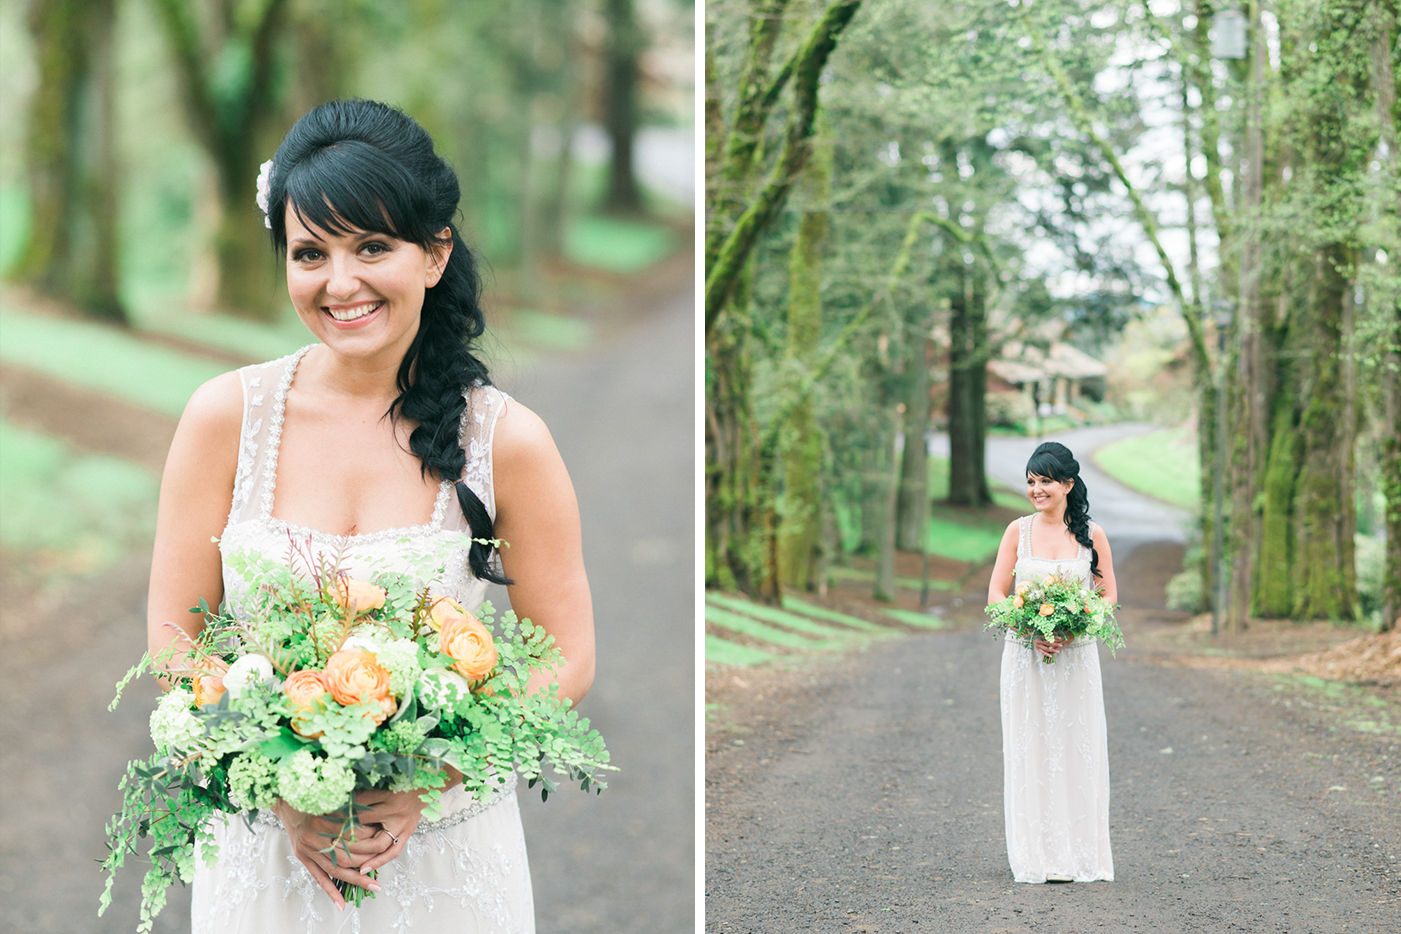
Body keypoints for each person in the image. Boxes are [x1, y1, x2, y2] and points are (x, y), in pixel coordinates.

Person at [146, 99, 593, 933]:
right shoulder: (223, 419)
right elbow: (177, 640)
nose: (339, 283)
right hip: (264, 859)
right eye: (310, 252)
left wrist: (433, 779)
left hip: (446, 862)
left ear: (434, 253)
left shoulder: (509, 441)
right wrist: (275, 783)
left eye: (372, 247)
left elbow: (563, 656)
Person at [985, 441, 1116, 884]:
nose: (1036, 490)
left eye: (1045, 481)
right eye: (1031, 481)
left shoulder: (1092, 535)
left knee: (1078, 750)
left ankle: (1080, 856)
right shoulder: (1016, 532)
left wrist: (1075, 629)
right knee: (1031, 750)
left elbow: (1108, 594)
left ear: (1068, 484)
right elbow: (996, 595)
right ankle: (1036, 856)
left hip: (1076, 660)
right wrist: (1029, 632)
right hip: (1026, 660)